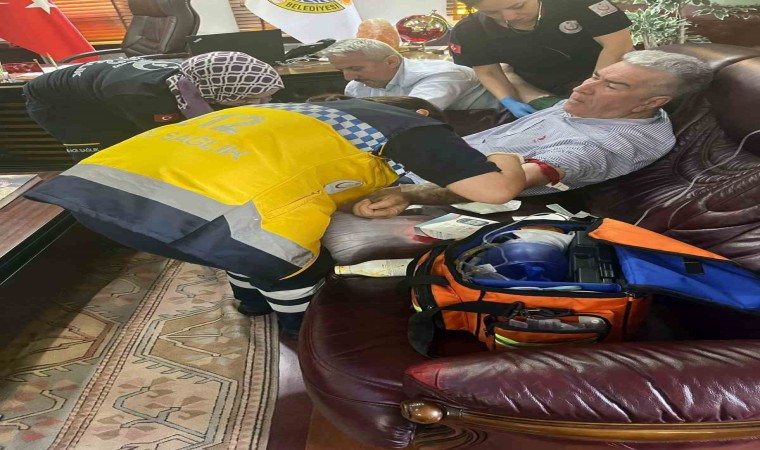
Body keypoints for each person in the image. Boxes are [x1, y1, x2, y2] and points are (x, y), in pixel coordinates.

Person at [25, 96, 526, 338]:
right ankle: (298, 331)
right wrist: (505, 154)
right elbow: (496, 189)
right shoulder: (414, 128)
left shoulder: (304, 114)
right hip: (178, 208)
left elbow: (300, 174)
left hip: (95, 193)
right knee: (290, 256)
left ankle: (250, 303)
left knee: (240, 231)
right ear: (425, 119)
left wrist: (383, 195)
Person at [351, 50, 713, 219]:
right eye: (596, 76)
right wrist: (511, 84)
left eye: (612, 85)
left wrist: (402, 193)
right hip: (403, 157)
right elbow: (537, 99)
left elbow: (503, 184)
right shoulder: (595, 104)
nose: (583, 87)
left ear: (651, 103)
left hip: (411, 181)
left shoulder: (611, 144)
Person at [23, 51, 284, 162]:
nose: (264, 104)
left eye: (268, 97)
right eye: (253, 99)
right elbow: (169, 142)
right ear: (217, 92)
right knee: (110, 157)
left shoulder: (197, 78)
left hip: (104, 94)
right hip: (59, 104)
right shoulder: (145, 96)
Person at [449, 0, 634, 118]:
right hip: (536, 82)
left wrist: (591, 89)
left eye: (518, 6)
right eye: (492, 13)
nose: (509, 17)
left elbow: (618, 46)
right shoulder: (470, 30)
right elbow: (488, 71)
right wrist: (509, 101)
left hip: (604, 71)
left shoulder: (582, 3)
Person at [322, 38, 502, 111]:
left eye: (357, 68)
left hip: (486, 137)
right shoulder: (356, 87)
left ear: (391, 62)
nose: (348, 77)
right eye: (342, 70)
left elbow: (413, 115)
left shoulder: (443, 74)